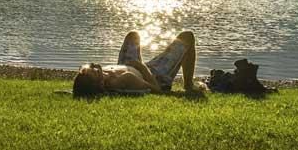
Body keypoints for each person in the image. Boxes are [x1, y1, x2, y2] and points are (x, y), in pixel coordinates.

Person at [72, 31, 202, 97]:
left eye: (92, 66)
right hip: (154, 74)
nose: (96, 66)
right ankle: (188, 85)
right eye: (95, 70)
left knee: (132, 35)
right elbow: (156, 89)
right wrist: (141, 67)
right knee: (187, 37)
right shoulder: (122, 79)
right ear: (99, 83)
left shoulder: (101, 75)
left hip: (129, 64)